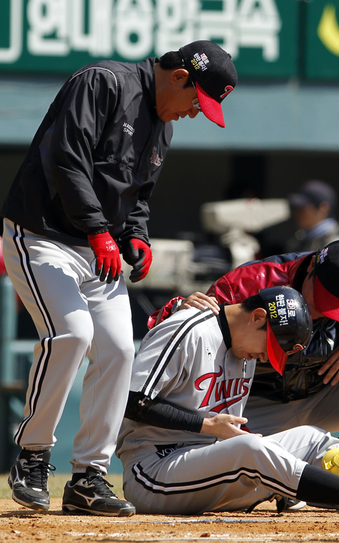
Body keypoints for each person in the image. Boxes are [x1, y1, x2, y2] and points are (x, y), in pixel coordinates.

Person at [1, 39, 238, 516]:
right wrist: (99, 232)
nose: (195, 112)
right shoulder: (103, 82)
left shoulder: (163, 126)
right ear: (178, 76)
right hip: (41, 235)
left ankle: (88, 476)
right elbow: (66, 158)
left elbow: (139, 196)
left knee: (119, 349)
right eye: (197, 100)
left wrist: (136, 234)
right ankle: (32, 455)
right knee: (72, 334)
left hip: (97, 249)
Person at [117, 285, 339, 516]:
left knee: (311, 437)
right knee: (250, 451)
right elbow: (131, 401)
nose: (264, 358)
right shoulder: (190, 329)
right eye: (266, 347)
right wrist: (208, 424)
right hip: (153, 469)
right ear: (257, 317)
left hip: (206, 462)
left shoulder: (243, 347)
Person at [150, 239, 339, 461]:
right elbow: (181, 331)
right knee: (217, 460)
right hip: (255, 408)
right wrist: (176, 308)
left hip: (326, 394)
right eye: (322, 297)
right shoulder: (254, 282)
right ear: (311, 266)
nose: (324, 309)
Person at [286, 179, 339, 253]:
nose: (297, 212)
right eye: (296, 208)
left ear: (323, 208)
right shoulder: (298, 240)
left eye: (302, 208)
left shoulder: (336, 245)